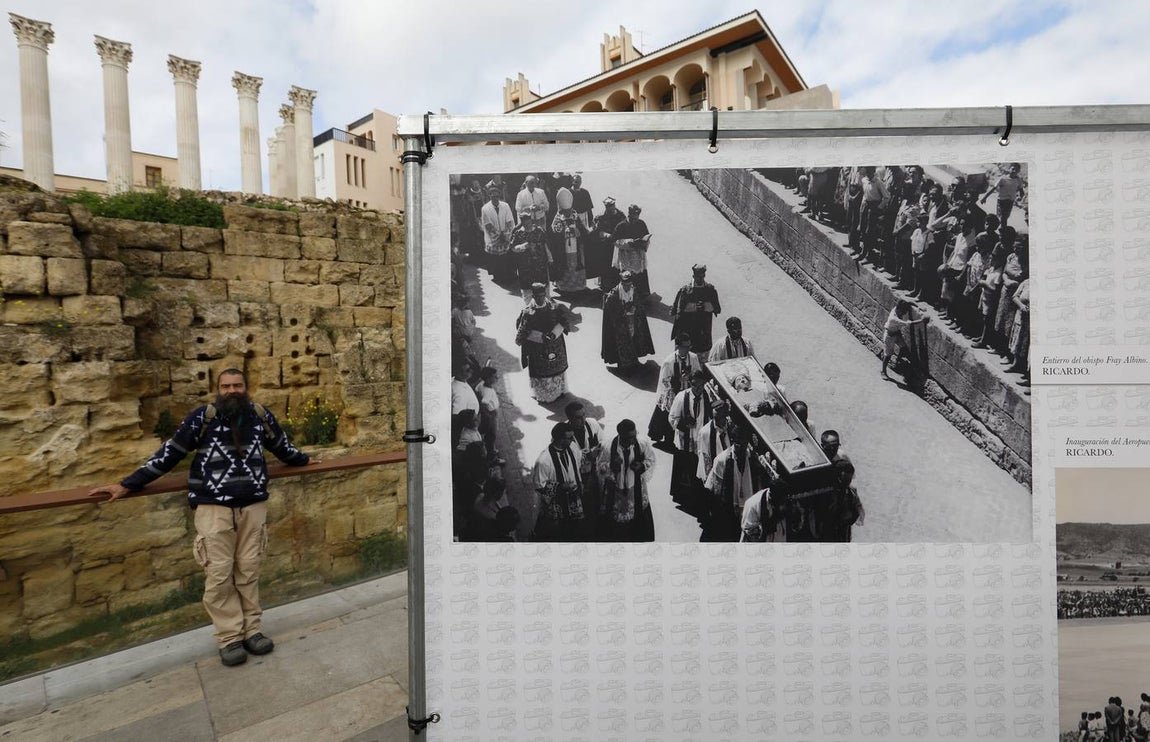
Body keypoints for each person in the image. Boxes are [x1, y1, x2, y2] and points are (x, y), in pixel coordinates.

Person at [88, 369, 312, 666]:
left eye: (237, 385)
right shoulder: (202, 417)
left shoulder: (259, 415)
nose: (232, 391)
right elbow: (170, 453)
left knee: (249, 568)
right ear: (217, 389)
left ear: (246, 387)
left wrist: (304, 460)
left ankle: (252, 631)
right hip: (213, 508)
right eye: (226, 386)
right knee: (219, 573)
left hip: (253, 506)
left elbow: (281, 445)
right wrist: (128, 484)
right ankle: (230, 637)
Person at [704, 423, 770, 541]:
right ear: (733, 441)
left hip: (748, 512)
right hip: (729, 511)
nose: (741, 447)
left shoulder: (753, 459)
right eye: (738, 443)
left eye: (744, 443)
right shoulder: (721, 460)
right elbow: (715, 491)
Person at [596, 419, 656, 541]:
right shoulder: (608, 447)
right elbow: (599, 468)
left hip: (635, 488)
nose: (633, 440)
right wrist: (611, 466)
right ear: (620, 435)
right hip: (616, 490)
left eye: (634, 436)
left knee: (638, 517)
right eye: (629, 438)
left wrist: (642, 466)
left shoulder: (642, 443)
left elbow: (651, 459)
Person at [515, 283, 571, 403]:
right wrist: (539, 336)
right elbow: (521, 333)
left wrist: (555, 332)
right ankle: (545, 396)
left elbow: (565, 322)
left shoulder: (555, 307)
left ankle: (559, 392)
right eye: (537, 296)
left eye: (542, 295)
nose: (540, 299)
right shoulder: (527, 313)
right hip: (537, 347)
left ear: (545, 294)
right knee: (541, 371)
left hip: (555, 344)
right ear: (533, 296)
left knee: (557, 370)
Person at [531, 423, 588, 541]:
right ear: (560, 439)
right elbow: (539, 486)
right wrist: (560, 487)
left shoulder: (572, 447)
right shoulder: (544, 461)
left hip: (574, 497)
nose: (573, 440)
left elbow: (579, 463)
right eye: (570, 438)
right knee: (556, 531)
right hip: (557, 502)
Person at [668, 370, 714, 499]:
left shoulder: (707, 396)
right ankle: (681, 496)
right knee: (683, 469)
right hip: (685, 440)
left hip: (699, 441)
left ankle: (695, 497)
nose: (698, 389)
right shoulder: (681, 397)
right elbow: (672, 417)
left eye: (701, 385)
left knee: (697, 471)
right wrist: (683, 423)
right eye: (695, 385)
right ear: (690, 384)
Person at [651, 333, 701, 449]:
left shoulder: (693, 357)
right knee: (672, 417)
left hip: (688, 392)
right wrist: (678, 380)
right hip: (673, 394)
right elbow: (664, 381)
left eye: (689, 346)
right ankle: (668, 441)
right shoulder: (669, 362)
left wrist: (691, 378)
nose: (688, 349)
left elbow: (698, 372)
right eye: (685, 347)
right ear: (677, 347)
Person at [601, 270, 655, 372]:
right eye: (626, 285)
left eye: (629, 284)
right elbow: (610, 309)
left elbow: (638, 302)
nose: (628, 287)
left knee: (634, 338)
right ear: (621, 283)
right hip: (619, 323)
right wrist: (623, 311)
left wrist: (635, 307)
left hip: (632, 320)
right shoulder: (614, 294)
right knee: (621, 343)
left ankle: (634, 360)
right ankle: (622, 365)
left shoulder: (633, 290)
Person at [566, 401, 605, 527]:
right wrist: (587, 455)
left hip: (593, 470)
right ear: (570, 418)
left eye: (583, 415)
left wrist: (597, 450)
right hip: (575, 474)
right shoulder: (563, 433)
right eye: (578, 417)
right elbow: (564, 458)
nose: (583, 419)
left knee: (596, 496)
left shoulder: (592, 424)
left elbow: (603, 442)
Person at [670, 264, 722, 353]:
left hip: (704, 327)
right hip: (689, 326)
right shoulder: (685, 290)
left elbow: (717, 309)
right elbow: (677, 310)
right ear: (693, 276)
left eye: (702, 277)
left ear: (704, 275)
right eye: (698, 277)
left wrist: (706, 306)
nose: (700, 279)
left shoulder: (710, 290)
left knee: (703, 351)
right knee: (689, 350)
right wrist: (694, 307)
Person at [881, 300, 930, 381]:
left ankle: (898, 362)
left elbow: (909, 302)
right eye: (903, 312)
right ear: (899, 309)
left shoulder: (898, 308)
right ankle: (883, 371)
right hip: (889, 336)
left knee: (904, 348)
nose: (904, 313)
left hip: (897, 333)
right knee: (888, 355)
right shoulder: (894, 318)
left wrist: (918, 307)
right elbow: (909, 323)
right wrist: (921, 321)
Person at [551, 188, 588, 294]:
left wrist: (578, 231)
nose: (568, 212)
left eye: (569, 210)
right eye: (566, 211)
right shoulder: (558, 217)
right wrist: (563, 231)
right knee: (565, 265)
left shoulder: (575, 215)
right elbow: (554, 231)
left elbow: (583, 230)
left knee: (576, 263)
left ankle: (579, 286)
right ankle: (564, 287)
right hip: (564, 247)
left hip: (576, 247)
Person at [612, 204, 652, 299]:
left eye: (636, 218)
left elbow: (646, 235)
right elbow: (615, 241)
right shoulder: (621, 225)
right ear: (629, 215)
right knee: (627, 275)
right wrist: (630, 242)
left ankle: (642, 293)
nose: (635, 221)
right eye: (633, 219)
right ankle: (626, 295)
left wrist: (644, 242)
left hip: (638, 254)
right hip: (626, 255)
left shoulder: (641, 223)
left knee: (639, 274)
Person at [480, 183, 516, 284]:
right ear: (489, 196)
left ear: (499, 196)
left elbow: (510, 220)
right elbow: (487, 224)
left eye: (497, 196)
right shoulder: (485, 208)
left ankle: (508, 274)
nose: (495, 198)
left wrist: (506, 234)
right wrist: (497, 236)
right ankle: (498, 276)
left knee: (506, 257)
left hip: (506, 235)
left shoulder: (505, 206)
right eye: (492, 196)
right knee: (496, 260)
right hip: (493, 238)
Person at [510, 222, 552, 304]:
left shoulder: (540, 230)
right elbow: (512, 248)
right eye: (524, 221)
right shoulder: (518, 233)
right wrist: (522, 246)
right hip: (525, 267)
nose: (527, 225)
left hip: (540, 265)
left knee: (543, 286)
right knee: (527, 288)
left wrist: (550, 258)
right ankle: (530, 307)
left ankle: (545, 304)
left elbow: (546, 244)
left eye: (528, 221)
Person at [590, 196, 626, 291]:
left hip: (617, 244)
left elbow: (625, 227)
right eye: (608, 206)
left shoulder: (621, 215)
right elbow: (595, 230)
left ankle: (618, 283)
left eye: (612, 206)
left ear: (614, 205)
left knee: (617, 265)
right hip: (605, 245)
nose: (610, 208)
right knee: (605, 265)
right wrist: (605, 234)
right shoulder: (600, 216)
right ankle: (605, 284)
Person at [979, 162, 1025, 229]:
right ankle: (1001, 231)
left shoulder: (1018, 180)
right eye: (1013, 169)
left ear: (1018, 171)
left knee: (1005, 218)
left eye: (1016, 170)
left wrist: (1020, 198)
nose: (1014, 171)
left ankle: (1000, 230)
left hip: (1010, 202)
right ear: (1009, 169)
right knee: (1002, 218)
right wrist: (984, 197)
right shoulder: (1002, 179)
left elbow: (1021, 191)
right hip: (1001, 201)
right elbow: (993, 189)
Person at [696, 402, 732, 483]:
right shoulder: (705, 433)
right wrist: (710, 480)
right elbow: (705, 458)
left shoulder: (731, 428)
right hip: (716, 474)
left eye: (723, 417)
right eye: (717, 418)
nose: (721, 421)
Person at [474, 366, 503, 465]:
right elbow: (483, 403)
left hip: (487, 414)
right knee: (492, 434)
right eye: (494, 377)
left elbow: (477, 390)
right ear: (488, 378)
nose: (497, 378)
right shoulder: (488, 391)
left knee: (486, 430)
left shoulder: (481, 384)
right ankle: (492, 456)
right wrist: (489, 415)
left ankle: (490, 446)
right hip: (491, 414)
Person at [450, 360, 479, 445]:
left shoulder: (461, 381)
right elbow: (459, 416)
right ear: (459, 373)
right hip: (468, 428)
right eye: (467, 370)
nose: (471, 371)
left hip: (473, 423)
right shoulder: (458, 392)